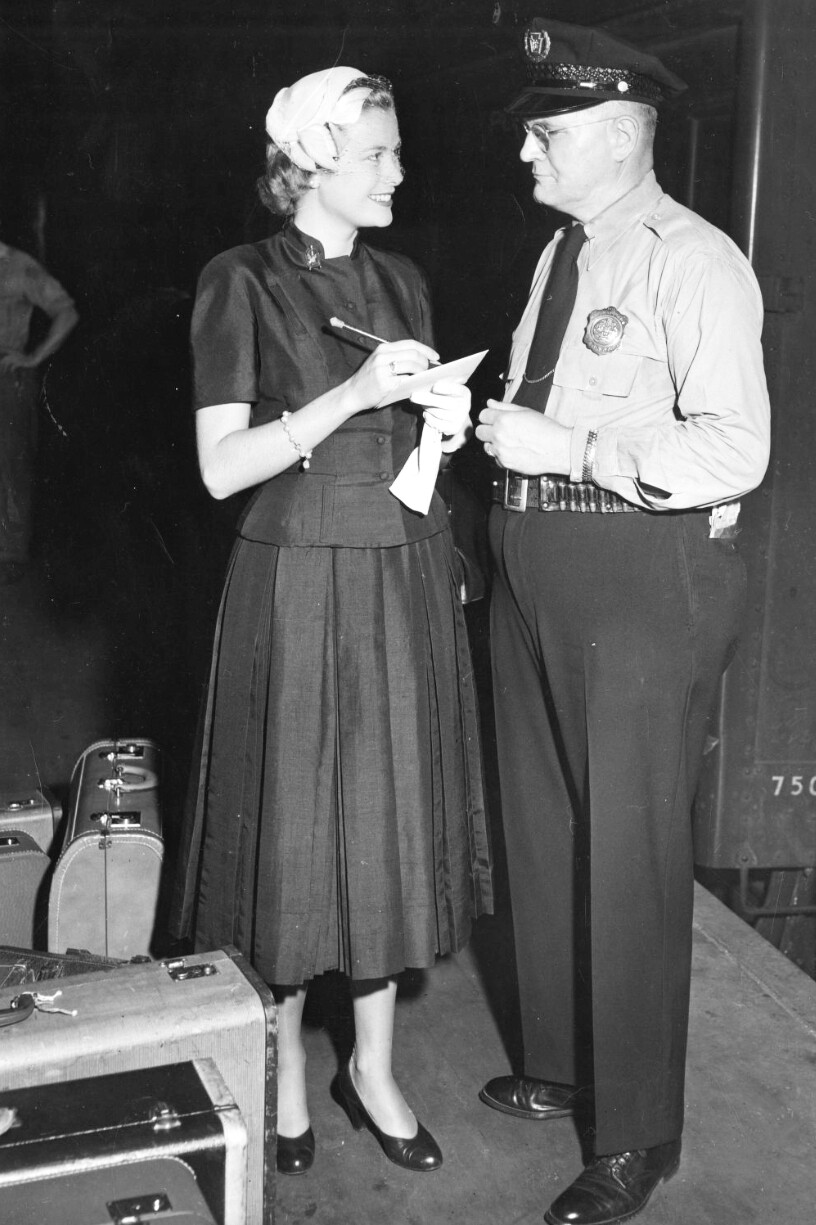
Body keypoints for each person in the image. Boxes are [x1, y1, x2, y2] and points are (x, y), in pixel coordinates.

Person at [170, 67, 492, 1180]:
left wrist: (444, 421)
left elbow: (411, 443)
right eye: (377, 155)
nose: (398, 172)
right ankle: (290, 1077)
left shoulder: (402, 279)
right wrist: (351, 397)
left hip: (402, 568)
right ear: (309, 162)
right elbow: (222, 468)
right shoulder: (239, 281)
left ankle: (374, 1068)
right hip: (299, 572)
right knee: (295, 827)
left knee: (388, 819)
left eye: (396, 152)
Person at [475, 18, 770, 1225]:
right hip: (535, 554)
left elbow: (735, 449)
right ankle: (563, 1059)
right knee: (541, 823)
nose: (526, 154)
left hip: (636, 571)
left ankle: (638, 1129)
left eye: (546, 134)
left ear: (615, 133)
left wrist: (572, 448)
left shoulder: (692, 261)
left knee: (630, 853)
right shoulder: (564, 252)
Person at [0, 238, 78, 583]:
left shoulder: (21, 267)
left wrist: (33, 358)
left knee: (10, 464)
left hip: (7, 378)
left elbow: (67, 312)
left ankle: (10, 555)